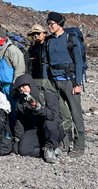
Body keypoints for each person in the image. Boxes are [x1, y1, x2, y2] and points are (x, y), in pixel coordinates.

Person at [43, 12, 86, 157]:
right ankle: (64, 142)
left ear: (60, 24)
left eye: (52, 24)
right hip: (54, 82)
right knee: (60, 113)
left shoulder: (70, 39)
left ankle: (79, 145)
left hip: (69, 81)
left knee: (75, 114)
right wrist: (46, 82)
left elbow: (78, 62)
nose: (49, 27)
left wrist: (78, 83)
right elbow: (46, 63)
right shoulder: (48, 41)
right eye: (48, 24)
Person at [13, 75, 64, 163]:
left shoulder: (47, 96)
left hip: (52, 130)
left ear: (30, 85)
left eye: (24, 86)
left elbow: (54, 116)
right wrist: (18, 140)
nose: (22, 89)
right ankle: (47, 151)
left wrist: (38, 108)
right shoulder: (21, 102)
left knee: (49, 124)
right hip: (34, 129)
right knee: (23, 150)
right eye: (19, 87)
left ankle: (50, 149)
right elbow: (20, 122)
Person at [0, 26, 26, 110]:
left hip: (11, 87)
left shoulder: (12, 50)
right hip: (2, 88)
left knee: (15, 111)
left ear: (3, 36)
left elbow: (19, 69)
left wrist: (16, 87)